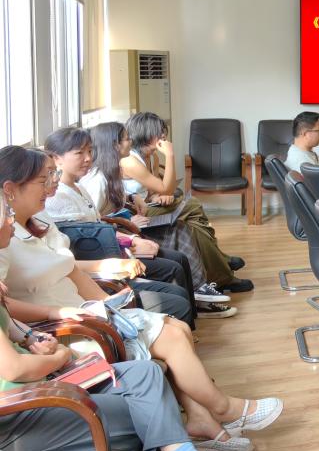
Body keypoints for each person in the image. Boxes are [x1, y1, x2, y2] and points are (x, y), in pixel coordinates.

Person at [0, 146, 282, 451]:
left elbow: (71, 269)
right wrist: (66, 314)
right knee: (172, 335)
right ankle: (224, 409)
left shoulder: (39, 221)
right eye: (43, 181)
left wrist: (109, 306)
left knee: (177, 328)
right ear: (10, 189)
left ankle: (202, 420)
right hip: (63, 327)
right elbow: (6, 307)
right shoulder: (4, 239)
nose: (50, 186)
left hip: (84, 313)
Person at [0, 192, 258, 451]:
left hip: (39, 375)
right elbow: (14, 368)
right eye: (6, 216)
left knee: (146, 373)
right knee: (147, 386)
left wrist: (31, 338)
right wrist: (60, 355)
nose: (11, 222)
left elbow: (13, 328)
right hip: (24, 404)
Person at [44, 127, 197, 327]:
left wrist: (130, 239)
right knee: (175, 273)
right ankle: (181, 327)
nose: (88, 158)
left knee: (180, 253)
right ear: (57, 159)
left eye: (89, 151)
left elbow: (97, 225)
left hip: (112, 251)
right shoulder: (58, 198)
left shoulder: (79, 187)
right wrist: (129, 243)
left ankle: (185, 328)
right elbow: (84, 239)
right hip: (104, 263)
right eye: (79, 153)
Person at [81, 122, 237, 318]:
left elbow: (123, 201)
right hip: (122, 234)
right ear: (114, 145)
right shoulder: (99, 179)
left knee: (186, 225)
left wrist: (132, 198)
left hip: (129, 222)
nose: (130, 141)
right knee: (189, 214)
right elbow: (93, 224)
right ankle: (209, 280)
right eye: (126, 139)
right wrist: (128, 224)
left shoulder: (112, 171)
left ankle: (204, 285)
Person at [120, 113, 251, 293]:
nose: (163, 136)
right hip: (136, 215)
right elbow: (166, 187)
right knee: (192, 204)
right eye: (159, 132)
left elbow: (155, 190)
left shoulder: (152, 157)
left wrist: (158, 196)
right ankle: (223, 264)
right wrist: (170, 155)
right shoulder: (130, 161)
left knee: (193, 227)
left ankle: (222, 272)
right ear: (146, 134)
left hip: (148, 206)